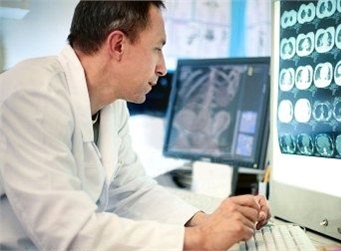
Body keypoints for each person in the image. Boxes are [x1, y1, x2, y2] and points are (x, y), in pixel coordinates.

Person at [0, 1, 271, 251]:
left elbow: (130, 191)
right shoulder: (33, 94)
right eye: (157, 49)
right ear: (118, 45)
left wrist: (207, 221)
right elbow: (66, 231)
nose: (163, 68)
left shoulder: (111, 105)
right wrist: (200, 239)